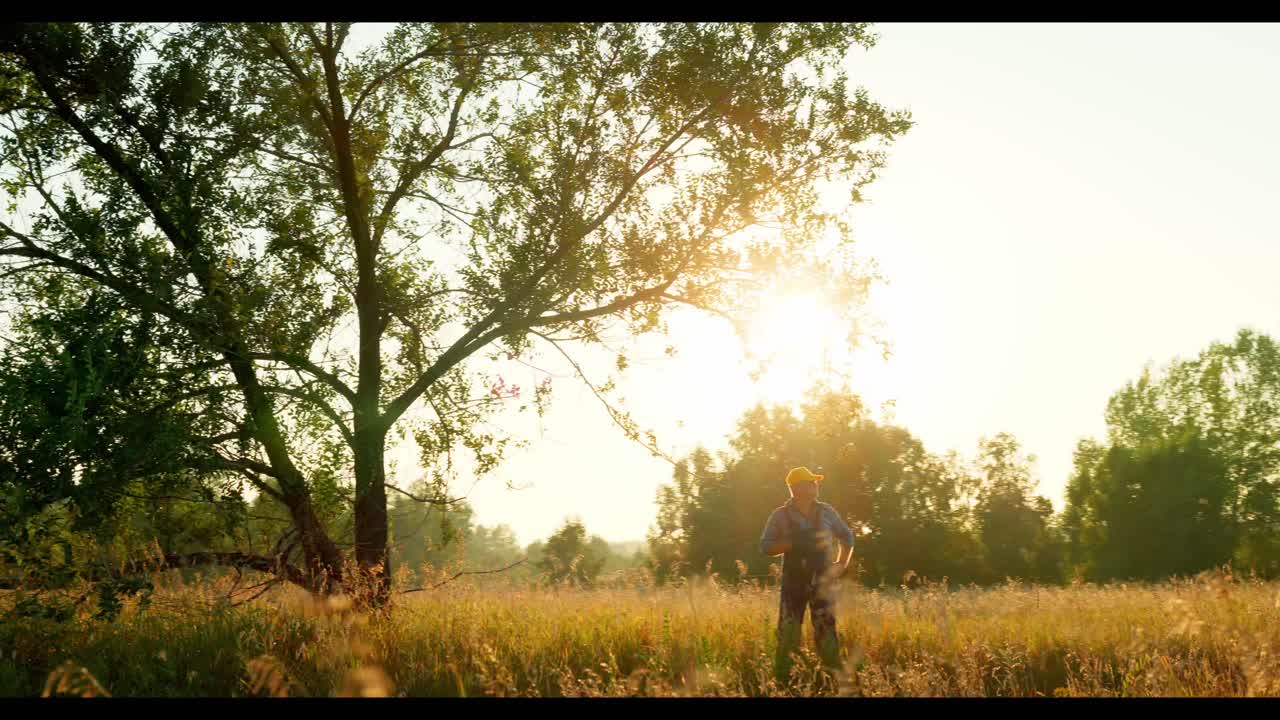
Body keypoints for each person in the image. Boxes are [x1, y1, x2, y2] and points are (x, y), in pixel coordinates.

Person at [758, 466, 855, 680]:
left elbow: (847, 538)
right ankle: (785, 680)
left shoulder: (827, 511)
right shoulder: (780, 515)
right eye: (811, 482)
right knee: (788, 634)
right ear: (797, 488)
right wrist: (791, 543)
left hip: (823, 583)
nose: (816, 485)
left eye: (815, 482)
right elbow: (765, 547)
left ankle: (831, 681)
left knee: (827, 634)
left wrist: (841, 564)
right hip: (793, 583)